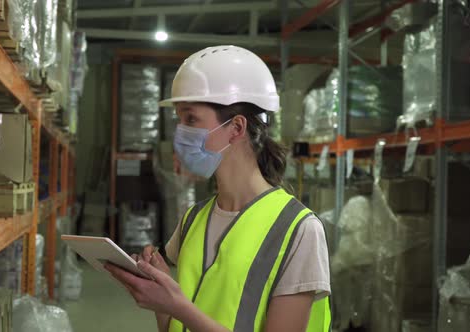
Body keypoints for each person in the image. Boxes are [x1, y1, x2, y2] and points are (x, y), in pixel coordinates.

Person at [105, 45, 331, 332]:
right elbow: (176, 327)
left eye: (190, 119)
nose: (179, 133)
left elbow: (185, 314)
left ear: (236, 128)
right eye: (178, 119)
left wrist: (178, 306)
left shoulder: (299, 229)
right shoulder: (193, 220)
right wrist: (161, 298)